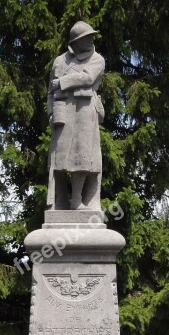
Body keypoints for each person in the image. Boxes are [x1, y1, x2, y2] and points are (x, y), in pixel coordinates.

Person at [47, 21, 105, 211]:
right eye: (85, 38)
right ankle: (61, 200)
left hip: (85, 112)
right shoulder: (60, 61)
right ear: (76, 42)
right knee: (60, 159)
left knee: (82, 156)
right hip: (62, 111)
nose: (90, 40)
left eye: (91, 36)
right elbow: (50, 91)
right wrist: (50, 113)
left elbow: (88, 78)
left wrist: (63, 81)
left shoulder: (97, 59)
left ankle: (77, 200)